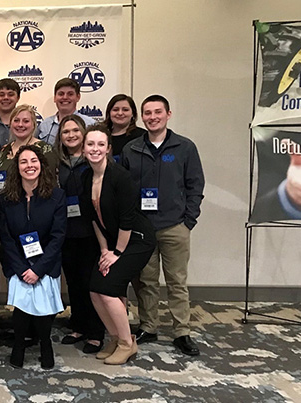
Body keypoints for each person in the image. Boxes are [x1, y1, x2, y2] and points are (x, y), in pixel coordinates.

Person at [121, 95, 205, 356]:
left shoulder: (185, 147)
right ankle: (149, 326)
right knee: (146, 281)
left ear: (169, 114)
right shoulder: (131, 149)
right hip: (144, 228)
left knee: (176, 281)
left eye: (158, 112)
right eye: (147, 113)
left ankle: (182, 331)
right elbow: (124, 189)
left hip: (174, 226)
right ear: (142, 117)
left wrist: (188, 220)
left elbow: (195, 185)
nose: (152, 117)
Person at [79, 124, 156, 365]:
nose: (95, 149)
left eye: (101, 144)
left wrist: (117, 253)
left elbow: (127, 220)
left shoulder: (120, 176)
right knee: (94, 289)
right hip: (111, 243)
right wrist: (104, 249)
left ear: (109, 149)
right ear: (83, 149)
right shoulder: (85, 176)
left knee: (109, 289)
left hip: (136, 240)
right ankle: (114, 338)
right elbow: (93, 218)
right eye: (90, 144)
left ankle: (127, 343)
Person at [0, 104, 57, 332]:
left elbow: (49, 185)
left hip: (37, 221)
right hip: (9, 217)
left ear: (34, 124)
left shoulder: (44, 150)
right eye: (17, 121)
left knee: (35, 270)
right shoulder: (4, 150)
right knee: (14, 265)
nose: (21, 125)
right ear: (10, 123)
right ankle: (21, 323)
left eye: (26, 121)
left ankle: (37, 327)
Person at [0, 144, 66, 369]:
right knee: (23, 293)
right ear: (16, 167)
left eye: (33, 161)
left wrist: (38, 269)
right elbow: (6, 239)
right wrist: (21, 268)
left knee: (43, 291)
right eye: (23, 162)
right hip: (17, 261)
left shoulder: (57, 196)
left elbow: (58, 237)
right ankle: (19, 344)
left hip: (46, 261)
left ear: (41, 165)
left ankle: (45, 343)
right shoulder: (5, 199)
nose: (29, 166)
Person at [55, 114, 105, 354]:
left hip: (91, 232)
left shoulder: (92, 160)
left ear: (83, 133)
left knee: (90, 283)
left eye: (75, 130)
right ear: (60, 137)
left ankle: (95, 333)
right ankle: (78, 326)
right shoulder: (57, 163)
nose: (71, 135)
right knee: (73, 282)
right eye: (66, 132)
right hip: (67, 231)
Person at [36, 78, 97, 146]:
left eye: (70, 94)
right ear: (55, 98)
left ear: (78, 97)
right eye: (61, 94)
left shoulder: (89, 124)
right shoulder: (44, 125)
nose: (65, 97)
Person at [104, 94, 147, 161]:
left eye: (125, 110)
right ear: (109, 113)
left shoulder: (142, 136)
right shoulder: (101, 135)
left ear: (133, 113)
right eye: (115, 110)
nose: (120, 113)